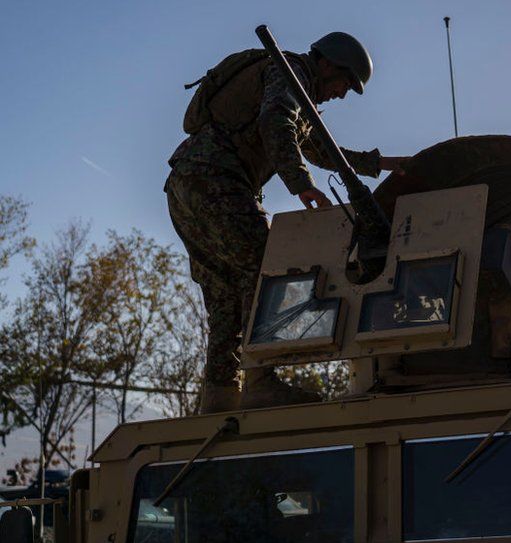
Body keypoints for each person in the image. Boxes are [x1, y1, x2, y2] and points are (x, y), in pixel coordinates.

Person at [165, 31, 407, 413]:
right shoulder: (290, 73)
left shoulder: (293, 86)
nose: (342, 94)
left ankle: (219, 396)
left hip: (186, 182)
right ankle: (260, 380)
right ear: (328, 64)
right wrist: (301, 185)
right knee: (267, 270)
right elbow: (276, 124)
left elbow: (318, 149)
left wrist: (379, 164)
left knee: (226, 291)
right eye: (345, 83)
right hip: (217, 178)